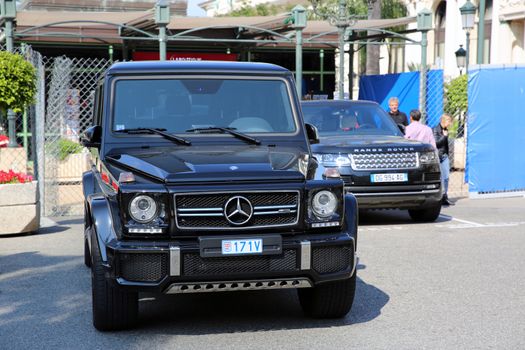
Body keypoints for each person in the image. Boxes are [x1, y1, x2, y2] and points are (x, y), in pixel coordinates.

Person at [434, 114, 453, 206]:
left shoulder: (445, 130)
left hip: (444, 155)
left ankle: (445, 196)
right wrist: (444, 136)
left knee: (446, 177)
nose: (450, 124)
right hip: (438, 156)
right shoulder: (435, 129)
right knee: (440, 177)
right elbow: (436, 143)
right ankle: (439, 196)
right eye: (449, 121)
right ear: (444, 121)